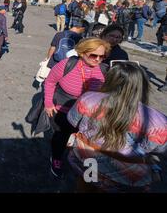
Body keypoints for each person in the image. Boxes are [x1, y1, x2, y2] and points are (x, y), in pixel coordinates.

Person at [67, 63, 167, 192]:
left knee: (87, 187)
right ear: (143, 86)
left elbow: (73, 121)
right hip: (127, 177)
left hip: (87, 161)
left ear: (109, 79)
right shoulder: (159, 121)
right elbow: (161, 149)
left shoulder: (87, 98)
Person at [44, 38, 111, 178]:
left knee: (84, 141)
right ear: (82, 52)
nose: (98, 59)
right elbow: (50, 82)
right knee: (61, 136)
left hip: (89, 114)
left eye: (102, 56)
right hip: (64, 109)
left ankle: (81, 163)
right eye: (93, 55)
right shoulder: (67, 64)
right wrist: (48, 103)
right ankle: (56, 158)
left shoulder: (104, 71)